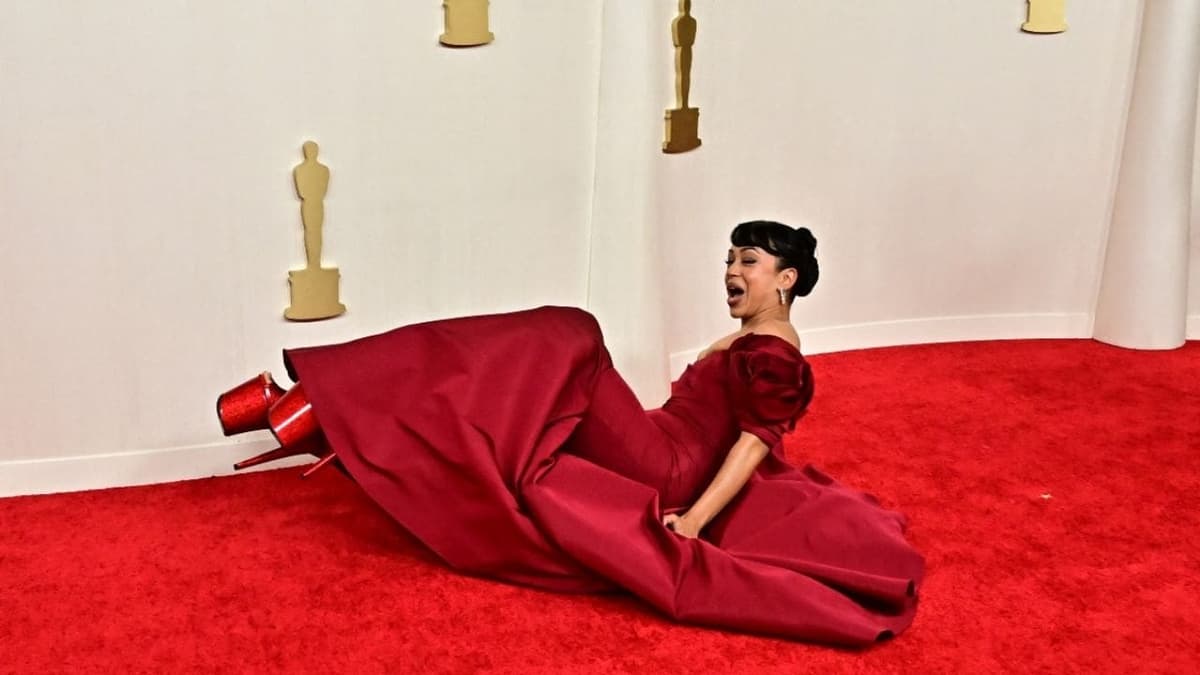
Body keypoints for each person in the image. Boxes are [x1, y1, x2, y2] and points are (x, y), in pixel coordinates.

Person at [215, 220, 924, 646]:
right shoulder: (755, 338)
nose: (732, 271)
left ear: (787, 277)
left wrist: (697, 520)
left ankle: (325, 401)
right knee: (527, 376)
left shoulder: (775, 353)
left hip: (667, 467)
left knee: (570, 332)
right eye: (731, 257)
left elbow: (753, 442)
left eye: (750, 262)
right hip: (656, 436)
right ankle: (329, 407)